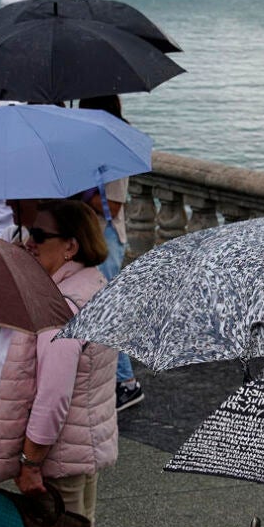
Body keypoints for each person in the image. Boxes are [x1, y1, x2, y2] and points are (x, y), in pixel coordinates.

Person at [0, 199, 119, 527]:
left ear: (70, 245)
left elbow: (53, 395)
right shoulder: (95, 286)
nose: (29, 242)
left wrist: (30, 459)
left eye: (39, 236)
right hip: (86, 441)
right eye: (29, 232)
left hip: (60, 450)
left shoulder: (61, 304)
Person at [76, 95, 145, 412]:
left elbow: (112, 206)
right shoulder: (91, 147)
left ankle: (127, 383)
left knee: (105, 312)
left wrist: (78, 189)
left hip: (106, 237)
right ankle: (109, 379)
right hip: (90, 234)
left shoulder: (116, 148)